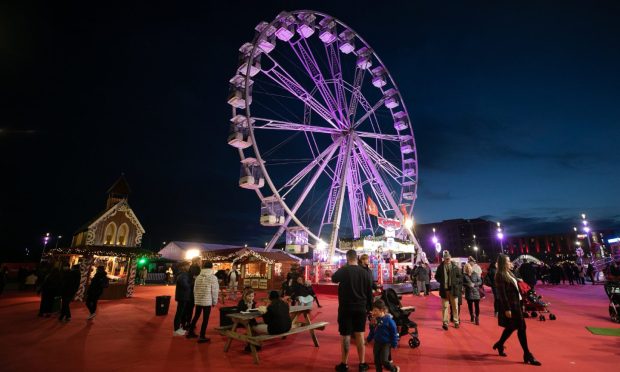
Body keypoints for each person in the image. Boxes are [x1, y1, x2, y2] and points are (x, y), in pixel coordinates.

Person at [492, 254, 541, 366]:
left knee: (511, 327)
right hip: (511, 306)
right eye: (508, 261)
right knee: (522, 328)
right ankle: (527, 354)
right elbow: (502, 294)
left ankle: (500, 344)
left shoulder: (509, 273)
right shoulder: (500, 275)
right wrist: (507, 309)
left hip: (517, 304)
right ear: (503, 263)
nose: (511, 263)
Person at [332, 249, 373, 372]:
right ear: (358, 258)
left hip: (345, 308)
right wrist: (370, 308)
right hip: (361, 308)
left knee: (345, 336)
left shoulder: (344, 270)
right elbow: (369, 292)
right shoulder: (365, 272)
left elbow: (334, 278)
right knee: (360, 334)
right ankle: (362, 363)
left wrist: (344, 267)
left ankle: (344, 364)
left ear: (347, 258)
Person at [186, 261, 219, 343]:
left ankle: (190, 332)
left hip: (198, 300)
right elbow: (215, 291)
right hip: (207, 300)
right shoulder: (213, 277)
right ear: (211, 267)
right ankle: (202, 335)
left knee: (196, 316)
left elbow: (195, 289)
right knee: (205, 318)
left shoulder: (198, 277)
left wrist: (196, 299)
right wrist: (214, 302)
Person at [367, 299, 400, 372]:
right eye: (373, 310)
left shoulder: (389, 320)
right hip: (377, 343)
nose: (373, 312)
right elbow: (372, 331)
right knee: (377, 361)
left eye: (375, 310)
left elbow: (394, 332)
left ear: (381, 310)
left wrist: (394, 344)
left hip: (386, 344)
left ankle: (394, 369)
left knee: (384, 360)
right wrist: (368, 339)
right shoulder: (374, 320)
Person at [434, 251, 462, 330]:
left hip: (453, 290)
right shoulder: (440, 267)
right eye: (446, 258)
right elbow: (436, 277)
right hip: (444, 290)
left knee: (455, 307)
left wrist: (455, 282)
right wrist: (442, 281)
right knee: (445, 307)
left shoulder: (455, 267)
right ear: (444, 259)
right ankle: (445, 323)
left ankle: (456, 321)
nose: (448, 259)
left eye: (449, 258)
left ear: (450, 258)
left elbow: (460, 277)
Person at [173, 262, 191, 336]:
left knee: (180, 313)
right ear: (184, 267)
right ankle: (176, 329)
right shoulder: (182, 275)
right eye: (188, 265)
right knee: (179, 313)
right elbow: (185, 286)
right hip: (182, 296)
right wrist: (192, 283)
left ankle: (178, 328)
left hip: (182, 296)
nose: (189, 267)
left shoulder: (182, 274)